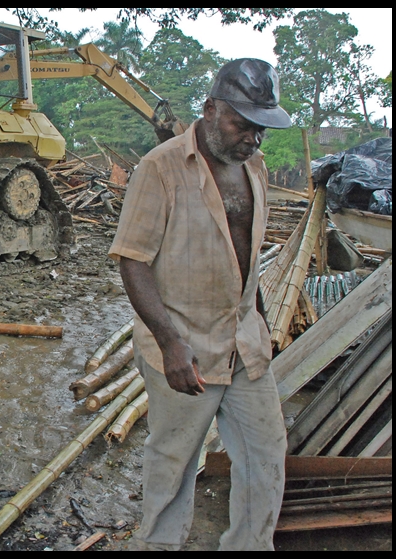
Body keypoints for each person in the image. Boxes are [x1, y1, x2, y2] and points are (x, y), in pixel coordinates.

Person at [108, 58, 292, 551]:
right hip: (184, 345)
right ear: (211, 109)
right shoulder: (161, 168)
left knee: (267, 453)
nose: (252, 138)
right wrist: (170, 343)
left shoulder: (255, 167)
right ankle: (159, 546)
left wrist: (261, 321)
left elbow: (246, 255)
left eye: (260, 129)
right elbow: (133, 260)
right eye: (241, 124)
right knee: (174, 460)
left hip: (243, 341)